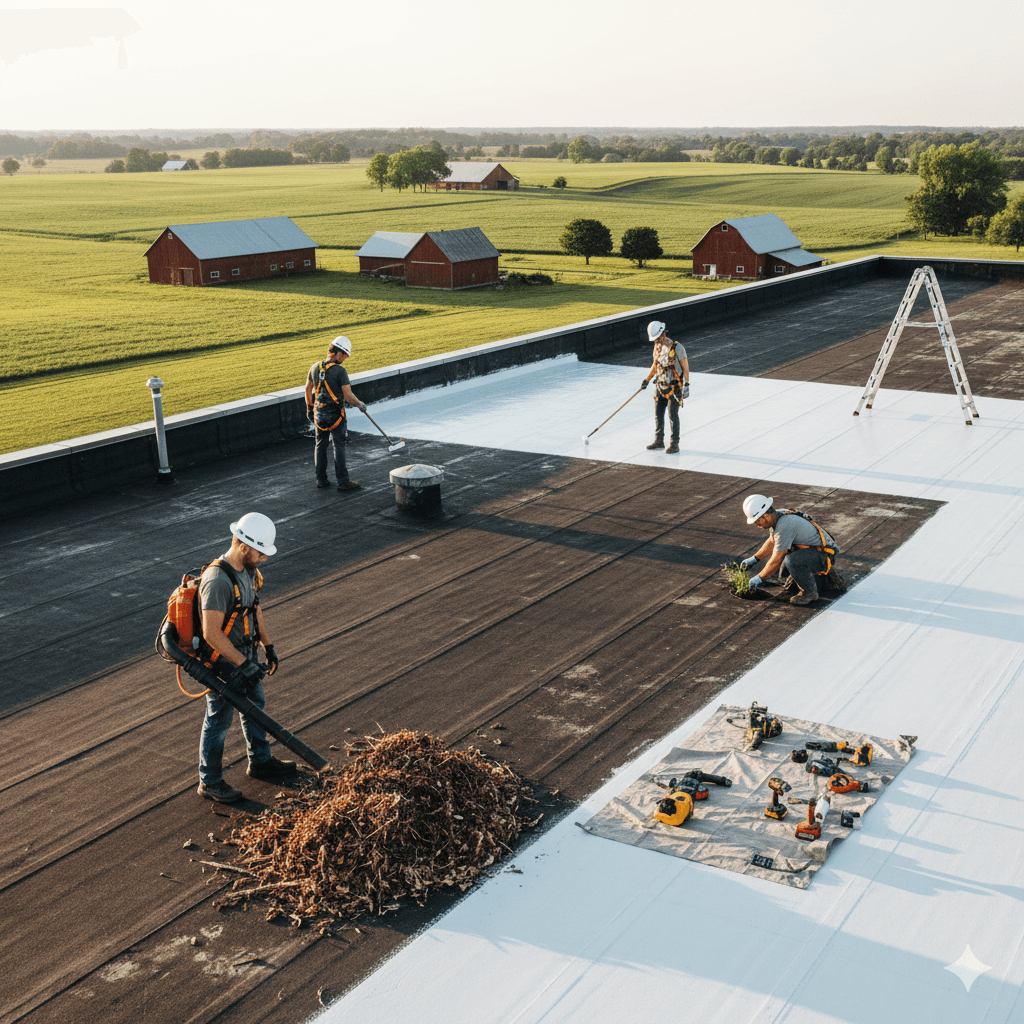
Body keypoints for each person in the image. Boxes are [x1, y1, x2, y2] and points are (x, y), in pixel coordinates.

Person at [197, 512, 295, 802]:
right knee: (219, 720)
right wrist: (242, 665)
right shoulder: (217, 581)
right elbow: (211, 634)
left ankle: (260, 762)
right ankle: (210, 781)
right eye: (260, 552)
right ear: (242, 546)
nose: (264, 557)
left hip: (246, 656)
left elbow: (254, 608)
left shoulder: (247, 570)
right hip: (224, 662)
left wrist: (268, 645)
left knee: (255, 706)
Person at [739, 495, 840, 606]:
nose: (757, 525)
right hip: (815, 551)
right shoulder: (779, 515)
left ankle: (809, 593)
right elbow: (773, 542)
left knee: (791, 560)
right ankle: (801, 579)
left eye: (757, 521)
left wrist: (760, 578)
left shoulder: (785, 525)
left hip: (824, 556)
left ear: (765, 516)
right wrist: (754, 559)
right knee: (785, 567)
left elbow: (777, 558)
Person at [305, 336, 368, 492]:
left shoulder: (315, 367)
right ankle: (343, 481)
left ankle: (321, 479)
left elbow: (307, 389)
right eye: (345, 354)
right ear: (338, 353)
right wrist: (360, 404)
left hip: (319, 416)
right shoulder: (340, 371)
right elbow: (348, 396)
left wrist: (309, 408)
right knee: (338, 446)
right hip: (336, 416)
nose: (346, 358)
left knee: (320, 446)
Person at [641, 321, 690, 454]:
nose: (655, 341)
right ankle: (659, 441)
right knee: (658, 414)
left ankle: (675, 443)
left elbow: (685, 367)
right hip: (660, 386)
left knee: (672, 415)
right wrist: (647, 380)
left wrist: (686, 384)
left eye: (656, 338)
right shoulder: (657, 347)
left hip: (674, 388)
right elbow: (655, 365)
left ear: (663, 333)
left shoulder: (677, 348)